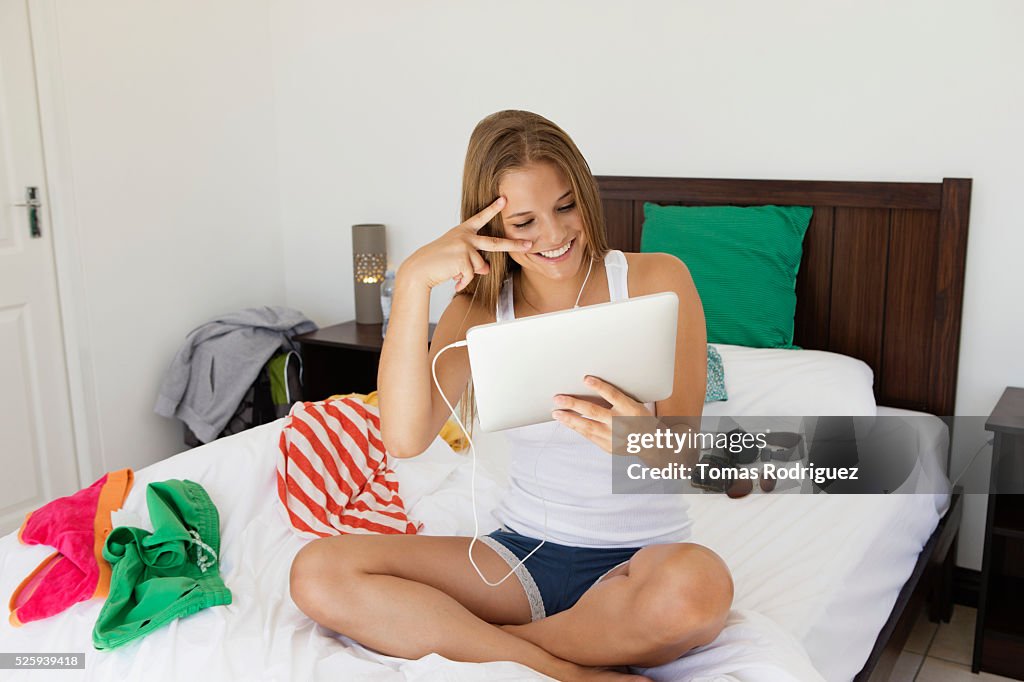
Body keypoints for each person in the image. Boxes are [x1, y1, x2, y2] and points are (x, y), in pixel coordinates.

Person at [290, 110, 733, 681]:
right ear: (487, 225)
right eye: (524, 221)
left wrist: (637, 441)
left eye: (566, 206)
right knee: (318, 570)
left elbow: (686, 454)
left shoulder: (657, 280)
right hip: (520, 559)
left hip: (641, 562)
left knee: (698, 592)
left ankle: (490, 646)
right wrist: (416, 286)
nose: (553, 235)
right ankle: (572, 671)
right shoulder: (475, 311)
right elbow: (403, 438)